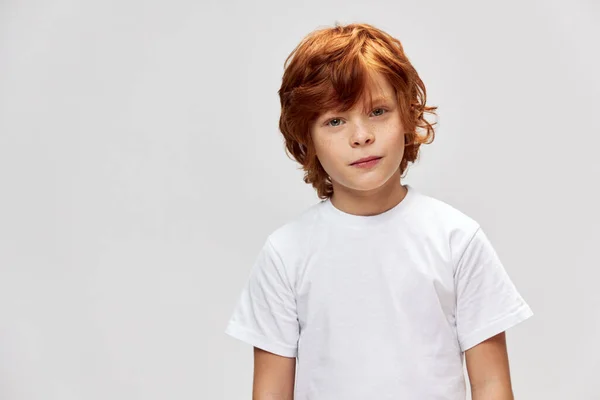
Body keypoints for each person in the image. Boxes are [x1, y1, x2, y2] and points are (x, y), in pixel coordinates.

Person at [224, 22, 533, 400]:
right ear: (307, 140)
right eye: (335, 120)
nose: (360, 136)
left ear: (407, 116)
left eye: (378, 111)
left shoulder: (457, 240)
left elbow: (491, 384)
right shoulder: (286, 253)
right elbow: (271, 392)